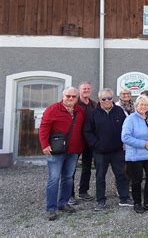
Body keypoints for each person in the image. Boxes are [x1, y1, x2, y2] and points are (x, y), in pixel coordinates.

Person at [39, 87, 86, 221]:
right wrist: (44, 145)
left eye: (73, 97)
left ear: (77, 98)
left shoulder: (79, 111)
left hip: (73, 151)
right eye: (68, 96)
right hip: (56, 150)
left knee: (68, 177)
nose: (70, 99)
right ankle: (51, 208)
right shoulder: (53, 109)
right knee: (54, 179)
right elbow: (44, 127)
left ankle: (63, 203)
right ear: (63, 96)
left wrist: (81, 148)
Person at [83, 88, 132, 210]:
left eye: (109, 98)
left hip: (117, 150)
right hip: (100, 152)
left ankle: (124, 197)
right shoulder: (93, 114)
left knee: (121, 174)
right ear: (99, 100)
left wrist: (122, 142)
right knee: (100, 176)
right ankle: (100, 201)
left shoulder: (119, 111)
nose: (106, 101)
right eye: (103, 99)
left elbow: (126, 128)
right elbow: (87, 132)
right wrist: (96, 145)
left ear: (112, 98)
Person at [121, 95, 148, 213]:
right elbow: (125, 137)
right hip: (135, 155)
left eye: (145, 105)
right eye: (141, 104)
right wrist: (144, 144)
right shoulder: (130, 119)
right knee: (137, 179)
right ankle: (137, 203)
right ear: (136, 106)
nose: (143, 107)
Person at [69, 82, 97, 205]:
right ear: (79, 90)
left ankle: (83, 191)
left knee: (87, 168)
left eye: (88, 89)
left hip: (89, 141)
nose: (86, 90)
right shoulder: (74, 104)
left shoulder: (94, 105)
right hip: (76, 140)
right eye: (84, 88)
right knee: (71, 169)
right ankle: (69, 195)